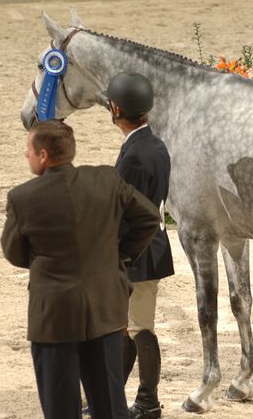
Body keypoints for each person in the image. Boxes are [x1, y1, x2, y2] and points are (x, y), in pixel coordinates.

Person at [1, 120, 161, 419]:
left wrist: (44, 261)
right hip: (105, 308)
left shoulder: (22, 197)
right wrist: (120, 256)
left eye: (29, 151)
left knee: (61, 409)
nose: (27, 156)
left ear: (44, 156)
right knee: (111, 408)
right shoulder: (106, 179)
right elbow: (149, 218)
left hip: (54, 317)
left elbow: (14, 252)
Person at [97, 72, 174, 419]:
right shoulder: (154, 145)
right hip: (150, 244)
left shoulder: (134, 157)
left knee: (141, 326)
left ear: (116, 108)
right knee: (128, 325)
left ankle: (148, 401)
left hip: (137, 249)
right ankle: (110, 397)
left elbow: (122, 211)